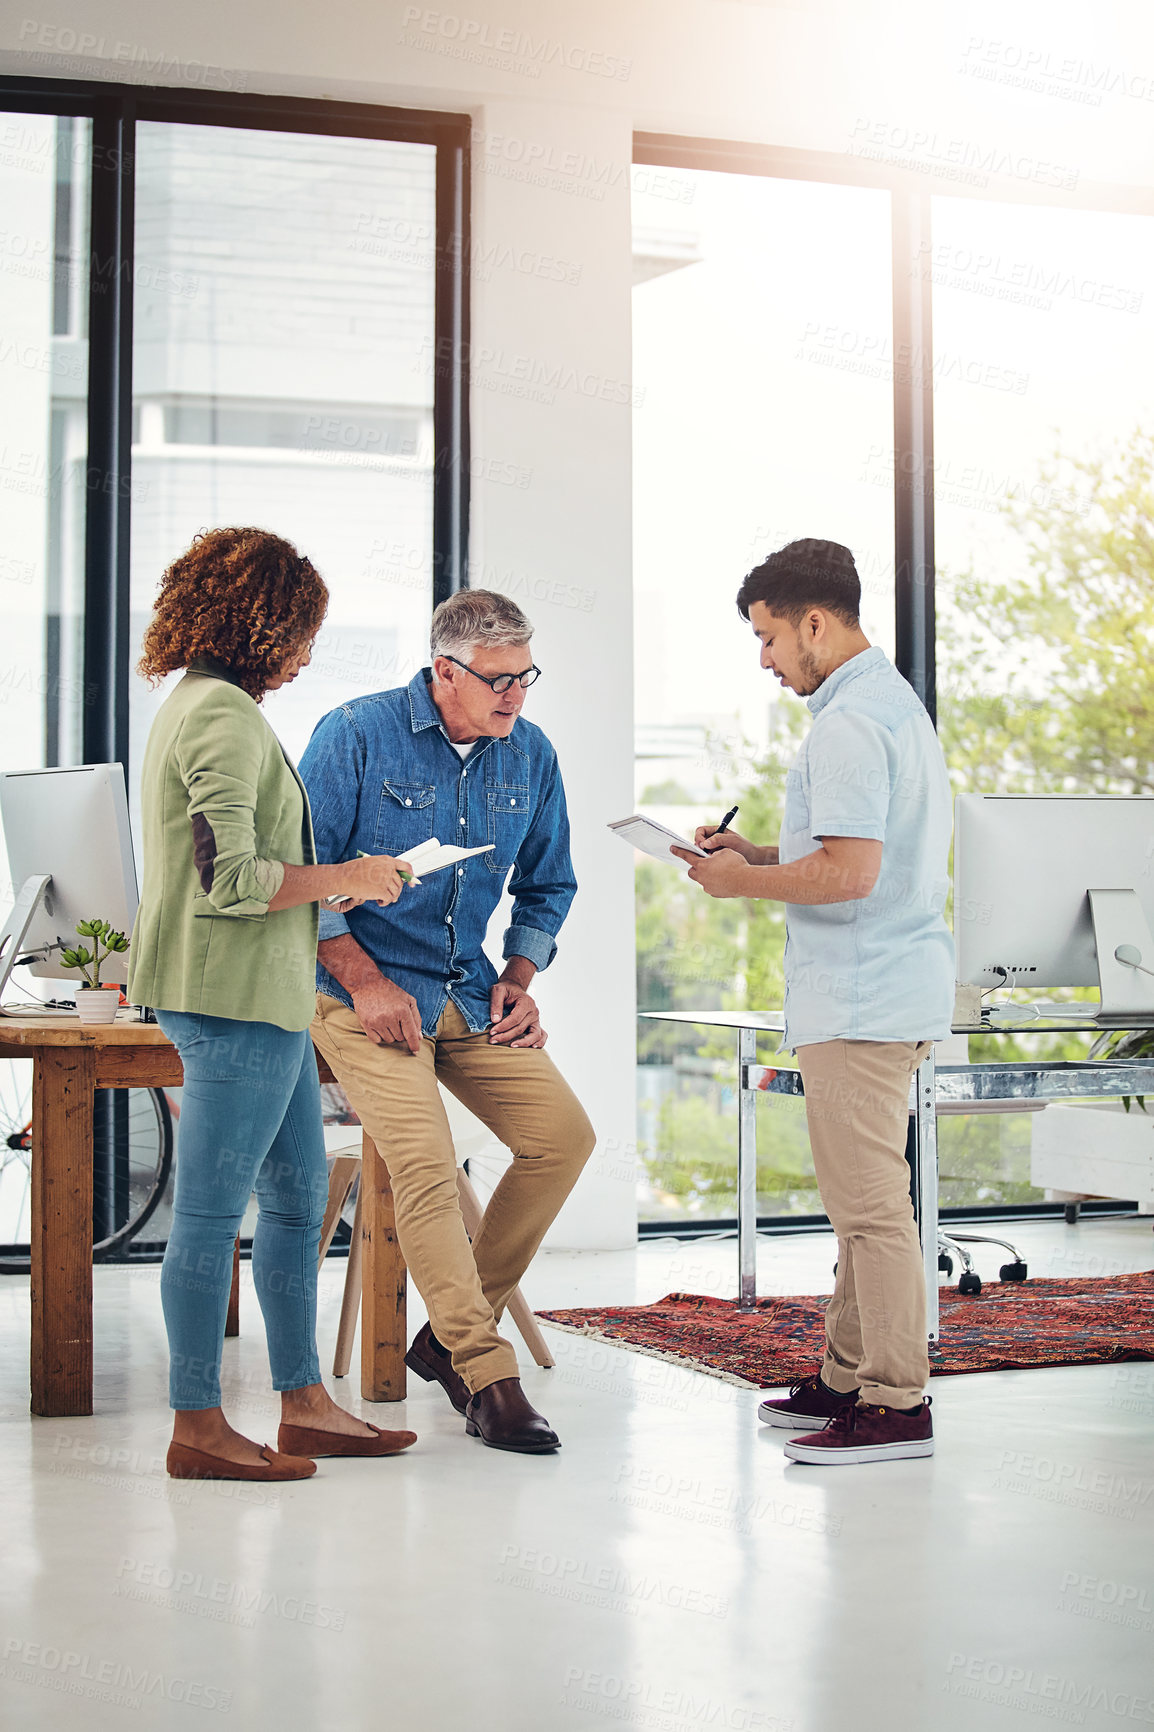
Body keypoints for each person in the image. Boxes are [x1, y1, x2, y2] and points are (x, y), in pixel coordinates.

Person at [130, 526, 418, 1481]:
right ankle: (196, 1426)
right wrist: (353, 875)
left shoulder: (203, 705)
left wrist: (332, 884)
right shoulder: (220, 717)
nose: (304, 656)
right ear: (263, 624)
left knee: (296, 1201)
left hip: (273, 997)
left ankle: (303, 1403)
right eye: (301, 634)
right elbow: (233, 883)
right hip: (234, 999)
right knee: (213, 1216)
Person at [673, 539, 953, 1466]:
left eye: (768, 638)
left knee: (872, 1213)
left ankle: (895, 1403)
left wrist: (736, 888)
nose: (764, 660)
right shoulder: (890, 706)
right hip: (883, 991)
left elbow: (851, 873)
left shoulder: (846, 724)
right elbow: (857, 858)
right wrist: (752, 859)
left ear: (816, 624)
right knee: (859, 1207)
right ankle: (843, 1377)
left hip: (863, 1001)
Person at [300, 590, 596, 1455]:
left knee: (562, 1139)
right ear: (443, 671)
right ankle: (486, 1374)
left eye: (525, 677)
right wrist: (364, 983)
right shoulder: (355, 735)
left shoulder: (529, 754)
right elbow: (302, 881)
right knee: (425, 1167)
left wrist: (519, 977)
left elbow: (549, 884)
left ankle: (442, 1339)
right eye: (498, 680)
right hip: (358, 993)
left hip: (468, 993)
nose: (515, 696)